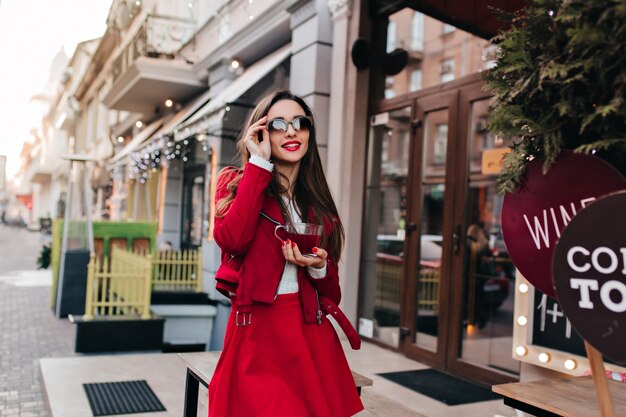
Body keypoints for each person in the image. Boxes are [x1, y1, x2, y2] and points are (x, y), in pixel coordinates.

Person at [209, 89, 364, 417]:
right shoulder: (236, 182)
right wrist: (259, 164)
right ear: (261, 132)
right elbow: (233, 240)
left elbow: (332, 294)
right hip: (257, 329)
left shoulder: (318, 203)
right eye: (279, 123)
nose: (292, 130)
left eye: (300, 123)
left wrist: (319, 266)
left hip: (309, 331)